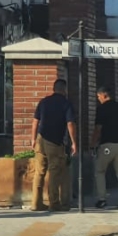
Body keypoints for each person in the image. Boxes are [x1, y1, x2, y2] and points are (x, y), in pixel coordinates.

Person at [30, 79, 78, 212]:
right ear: (64, 90)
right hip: (54, 142)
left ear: (53, 89)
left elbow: (35, 122)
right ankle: (54, 203)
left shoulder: (43, 102)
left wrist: (33, 139)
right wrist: (74, 142)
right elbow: (70, 124)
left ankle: (36, 203)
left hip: (40, 139)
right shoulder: (66, 104)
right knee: (54, 172)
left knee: (39, 172)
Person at [91, 87, 118, 209]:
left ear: (103, 95)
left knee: (100, 171)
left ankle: (102, 199)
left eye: (98, 97)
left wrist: (92, 144)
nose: (98, 99)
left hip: (107, 145)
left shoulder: (102, 109)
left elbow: (98, 129)